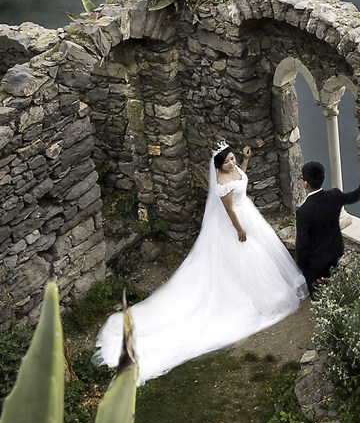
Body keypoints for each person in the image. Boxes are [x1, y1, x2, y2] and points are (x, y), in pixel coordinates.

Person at [97, 144, 307, 381]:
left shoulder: (236, 168)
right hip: (238, 222)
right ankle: (259, 295)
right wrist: (240, 230)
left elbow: (241, 177)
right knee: (250, 259)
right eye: (227, 161)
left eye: (233, 158)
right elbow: (230, 211)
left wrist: (245, 161)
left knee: (264, 252)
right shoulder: (222, 185)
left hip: (249, 214)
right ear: (218, 165)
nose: (231, 163)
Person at [292, 161, 360, 289]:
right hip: (336, 252)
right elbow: (354, 196)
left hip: (316, 263)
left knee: (318, 294)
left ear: (305, 183)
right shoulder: (334, 195)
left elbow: (301, 246)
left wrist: (303, 266)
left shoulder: (303, 212)